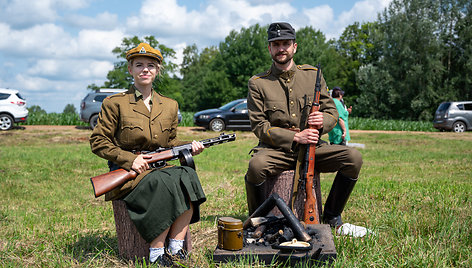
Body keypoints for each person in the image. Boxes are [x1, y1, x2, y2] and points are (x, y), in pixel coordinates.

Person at [245, 22, 370, 237]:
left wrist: (323, 121)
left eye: (286, 43)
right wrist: (296, 136)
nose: (281, 48)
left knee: (353, 158)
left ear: (295, 47)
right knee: (256, 166)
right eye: (276, 44)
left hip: (313, 148)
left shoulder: (312, 76)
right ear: (269, 49)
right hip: (278, 151)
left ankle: (333, 217)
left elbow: (332, 112)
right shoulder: (258, 83)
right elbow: (259, 126)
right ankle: (259, 220)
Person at [90, 43, 207, 266]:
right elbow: (98, 142)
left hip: (158, 165)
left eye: (150, 66)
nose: (145, 70)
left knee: (188, 176)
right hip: (128, 170)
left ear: (157, 70)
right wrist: (130, 159)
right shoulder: (115, 103)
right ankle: (156, 253)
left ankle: (176, 247)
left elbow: (170, 142)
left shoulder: (170, 105)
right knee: (163, 182)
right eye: (139, 65)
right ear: (130, 69)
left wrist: (190, 145)